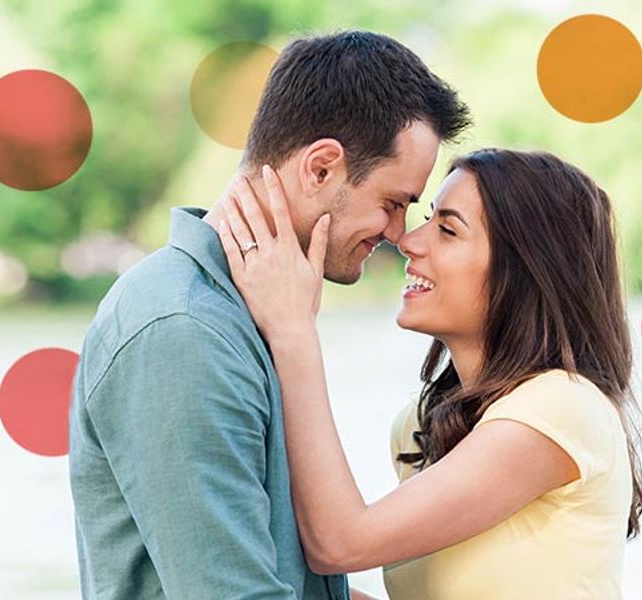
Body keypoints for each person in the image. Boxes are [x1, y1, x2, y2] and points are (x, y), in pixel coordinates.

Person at [67, 30, 469, 599]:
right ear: (321, 168)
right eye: (393, 203)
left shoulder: (254, 313)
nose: (399, 235)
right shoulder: (184, 330)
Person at [215, 149, 642, 599]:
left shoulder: (562, 408)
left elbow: (339, 543)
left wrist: (293, 329)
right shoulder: (420, 426)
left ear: (526, 269)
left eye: (448, 230)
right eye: (428, 219)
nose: (409, 241)